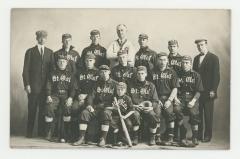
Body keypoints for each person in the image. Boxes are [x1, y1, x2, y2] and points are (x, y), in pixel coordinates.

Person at [72, 65, 118, 147]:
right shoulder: (96, 84)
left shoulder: (115, 84)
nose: (104, 73)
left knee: (106, 114)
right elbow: (90, 96)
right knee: (85, 113)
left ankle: (103, 139)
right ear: (99, 73)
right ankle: (81, 138)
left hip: (108, 108)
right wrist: (89, 105)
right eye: (101, 72)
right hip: (96, 107)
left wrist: (113, 106)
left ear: (109, 72)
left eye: (105, 71)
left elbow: (117, 98)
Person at [22, 30, 53, 138]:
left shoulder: (50, 52)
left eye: (44, 37)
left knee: (42, 111)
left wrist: (50, 88)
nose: (42, 39)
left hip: (45, 88)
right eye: (40, 37)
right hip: (33, 87)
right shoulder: (30, 51)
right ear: (37, 38)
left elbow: (51, 71)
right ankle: (29, 134)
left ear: (46, 38)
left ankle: (40, 133)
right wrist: (27, 84)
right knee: (32, 110)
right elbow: (25, 70)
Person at [45, 55, 77, 143]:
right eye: (60, 61)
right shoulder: (52, 73)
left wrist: (70, 98)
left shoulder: (71, 75)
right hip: (55, 95)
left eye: (64, 61)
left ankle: (66, 133)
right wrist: (48, 95)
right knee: (49, 107)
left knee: (67, 108)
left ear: (66, 63)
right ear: (57, 63)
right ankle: (49, 132)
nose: (62, 63)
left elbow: (73, 89)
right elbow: (48, 85)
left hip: (65, 95)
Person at [193, 39, 220, 142]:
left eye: (202, 45)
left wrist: (213, 90)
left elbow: (216, 76)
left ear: (206, 45)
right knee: (198, 114)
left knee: (208, 115)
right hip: (198, 92)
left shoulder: (214, 58)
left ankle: (208, 135)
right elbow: (194, 76)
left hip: (209, 92)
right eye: (198, 45)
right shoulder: (195, 59)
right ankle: (199, 135)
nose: (200, 47)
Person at [174, 55, 203, 147]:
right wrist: (175, 98)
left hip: (192, 98)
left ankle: (195, 136)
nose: (185, 65)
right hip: (180, 98)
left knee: (193, 113)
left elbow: (199, 91)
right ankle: (183, 133)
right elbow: (174, 88)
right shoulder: (177, 74)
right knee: (177, 110)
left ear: (190, 64)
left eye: (187, 63)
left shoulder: (196, 75)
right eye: (183, 63)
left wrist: (193, 101)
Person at [150, 52, 179, 146]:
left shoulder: (172, 72)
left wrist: (170, 100)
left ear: (167, 61)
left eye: (164, 60)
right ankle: (157, 136)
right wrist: (156, 99)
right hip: (156, 98)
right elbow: (149, 88)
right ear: (157, 60)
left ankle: (171, 137)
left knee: (170, 113)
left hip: (167, 98)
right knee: (157, 113)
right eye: (160, 60)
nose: (162, 62)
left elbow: (175, 88)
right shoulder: (152, 72)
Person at [128, 66, 160, 146]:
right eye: (138, 74)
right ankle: (135, 137)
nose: (140, 75)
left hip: (147, 108)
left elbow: (155, 100)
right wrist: (134, 106)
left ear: (146, 74)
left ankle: (152, 137)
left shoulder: (151, 85)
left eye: (142, 73)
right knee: (135, 114)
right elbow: (127, 99)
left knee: (152, 115)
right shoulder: (131, 85)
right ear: (136, 74)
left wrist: (151, 107)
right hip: (136, 107)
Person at [71, 52, 100, 142]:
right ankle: (75, 135)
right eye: (86, 61)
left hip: (93, 99)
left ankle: (89, 137)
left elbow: (98, 89)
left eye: (90, 60)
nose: (88, 62)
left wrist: (86, 96)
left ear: (94, 61)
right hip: (80, 97)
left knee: (89, 111)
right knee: (74, 108)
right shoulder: (79, 72)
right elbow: (75, 86)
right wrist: (79, 96)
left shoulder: (98, 73)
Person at [107, 82, 139, 146]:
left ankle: (124, 139)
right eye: (118, 89)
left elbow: (132, 110)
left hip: (124, 116)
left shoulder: (127, 98)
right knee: (113, 125)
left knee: (129, 124)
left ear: (125, 90)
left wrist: (125, 116)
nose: (120, 91)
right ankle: (115, 141)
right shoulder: (113, 97)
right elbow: (106, 107)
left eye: (122, 90)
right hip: (115, 116)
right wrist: (113, 107)